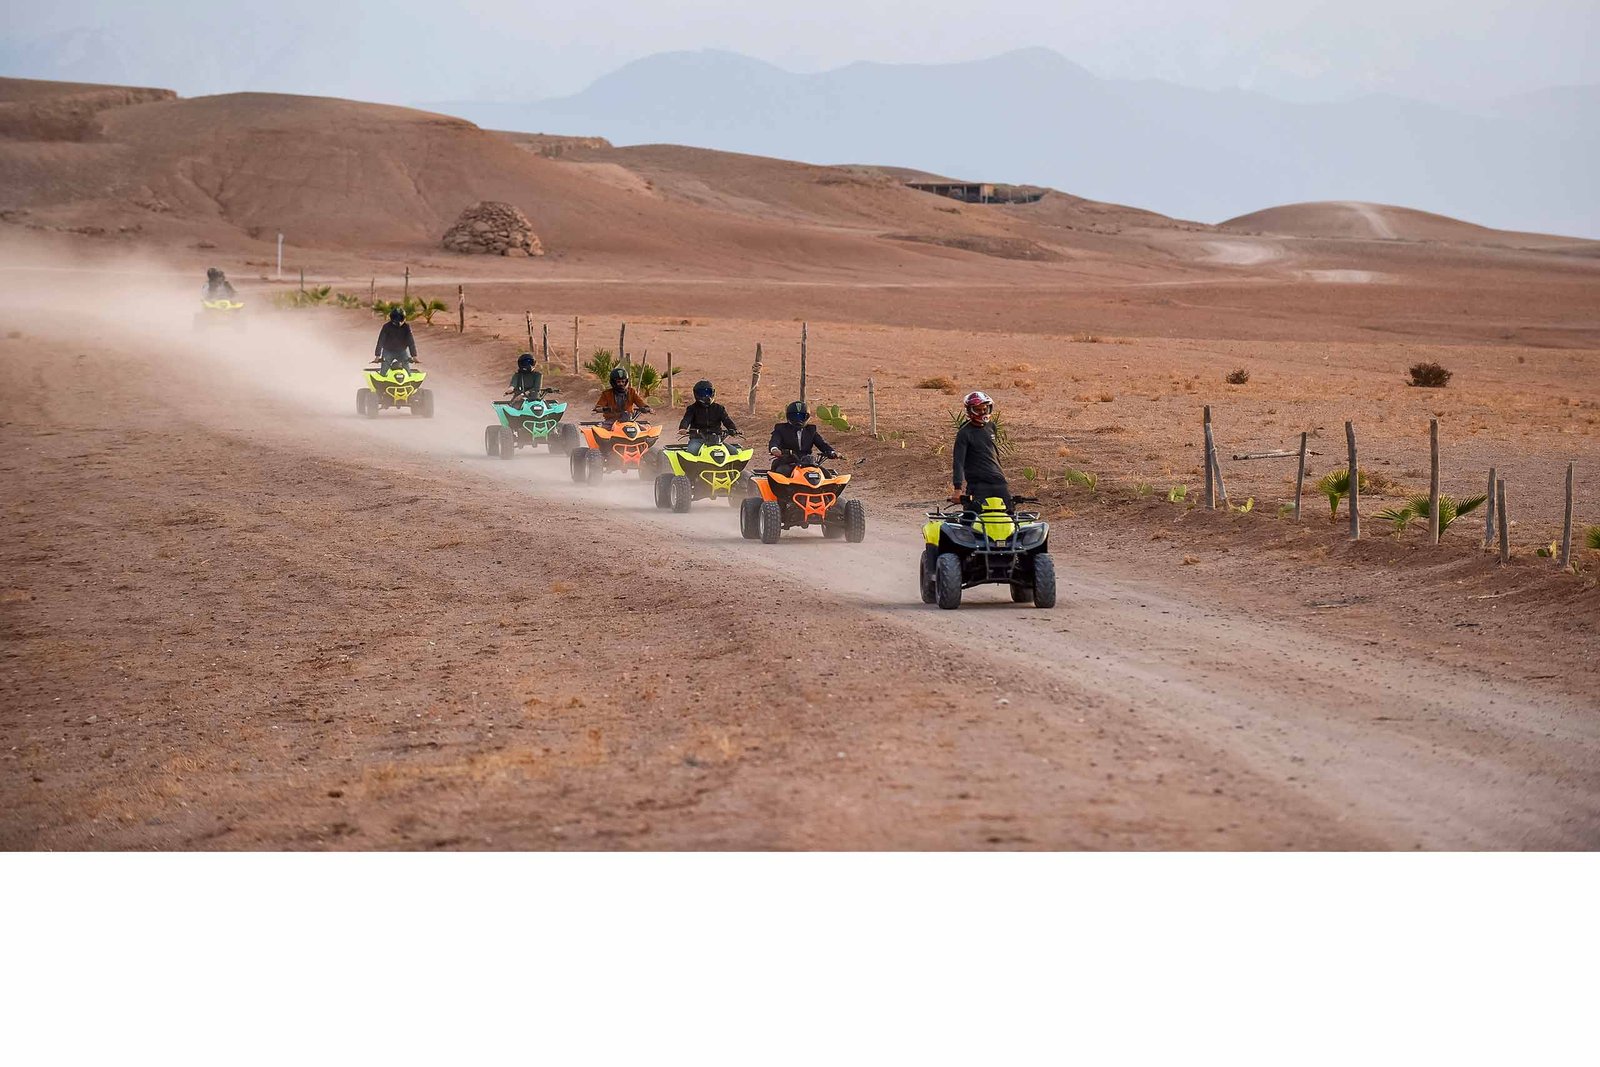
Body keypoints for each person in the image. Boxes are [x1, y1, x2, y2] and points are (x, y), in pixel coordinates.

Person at [950, 390, 1011, 513]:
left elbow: (993, 453)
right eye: (978, 409)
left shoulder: (991, 427)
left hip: (999, 482)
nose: (982, 412)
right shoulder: (964, 433)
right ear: (969, 410)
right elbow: (959, 462)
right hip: (978, 485)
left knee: (1008, 518)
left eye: (985, 409)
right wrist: (958, 489)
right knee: (972, 521)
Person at [767, 401, 840, 475]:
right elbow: (774, 441)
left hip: (807, 462)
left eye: (801, 416)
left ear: (807, 417)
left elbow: (822, 444)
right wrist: (774, 449)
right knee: (781, 473)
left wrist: (832, 452)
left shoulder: (811, 430)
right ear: (789, 416)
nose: (798, 419)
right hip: (786, 461)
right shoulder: (781, 429)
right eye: (794, 416)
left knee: (826, 475)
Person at [678, 379, 738, 444]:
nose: (706, 396)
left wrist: (733, 429)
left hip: (717, 439)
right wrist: (683, 428)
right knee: (692, 450)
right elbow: (686, 419)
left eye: (708, 392)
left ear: (713, 392)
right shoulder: (692, 408)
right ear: (696, 394)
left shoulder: (719, 408)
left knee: (734, 452)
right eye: (702, 393)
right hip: (697, 439)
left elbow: (727, 420)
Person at [373, 307, 420, 372]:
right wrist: (377, 355)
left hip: (402, 352)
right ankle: (383, 379)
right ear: (393, 320)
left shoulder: (406, 327)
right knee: (384, 371)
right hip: (388, 351)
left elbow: (410, 341)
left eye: (402, 320)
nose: (400, 322)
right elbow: (381, 341)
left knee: (407, 371)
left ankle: (408, 380)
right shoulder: (386, 327)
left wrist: (414, 356)